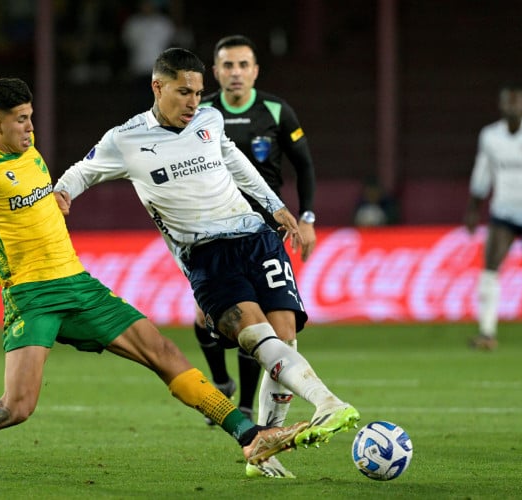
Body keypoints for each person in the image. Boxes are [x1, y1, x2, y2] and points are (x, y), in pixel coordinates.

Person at [0, 77, 309, 474]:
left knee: (163, 351)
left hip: (79, 284)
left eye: (31, 118)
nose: (29, 127)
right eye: (20, 120)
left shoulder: (28, 151)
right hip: (31, 295)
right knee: (15, 408)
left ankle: (250, 436)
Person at [54, 48, 360, 479]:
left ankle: (267, 445)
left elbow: (234, 160)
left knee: (284, 337)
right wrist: (61, 192)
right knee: (256, 336)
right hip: (206, 254)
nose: (195, 102)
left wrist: (274, 206)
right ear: (157, 87)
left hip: (256, 238)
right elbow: (82, 171)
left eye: (198, 92)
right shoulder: (124, 139)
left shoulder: (209, 121)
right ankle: (328, 402)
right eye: (184, 92)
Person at [194, 34, 319, 479]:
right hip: (211, 228)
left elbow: (303, 164)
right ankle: (223, 383)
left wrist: (305, 217)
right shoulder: (201, 112)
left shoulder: (276, 111)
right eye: (227, 65)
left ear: (255, 70)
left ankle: (250, 409)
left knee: (270, 328)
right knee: (202, 318)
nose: (235, 72)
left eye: (243, 64)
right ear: (216, 70)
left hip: (265, 229)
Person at [464, 83, 522, 351]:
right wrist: (473, 208)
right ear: (502, 106)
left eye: (517, 102)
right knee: (490, 269)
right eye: (508, 102)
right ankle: (487, 333)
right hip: (503, 212)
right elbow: (483, 171)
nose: (513, 107)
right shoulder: (490, 136)